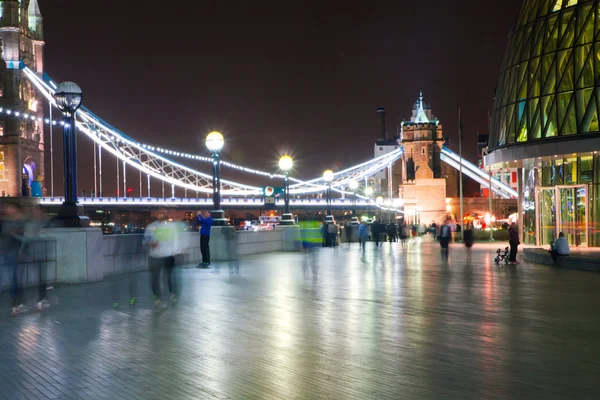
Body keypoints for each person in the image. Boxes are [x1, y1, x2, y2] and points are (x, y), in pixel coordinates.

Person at [144, 215, 180, 306]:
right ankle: (157, 297)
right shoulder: (151, 227)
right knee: (155, 278)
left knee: (169, 277)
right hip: (155, 256)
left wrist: (174, 251)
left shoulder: (172, 226)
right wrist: (151, 243)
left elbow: (175, 239)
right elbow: (145, 241)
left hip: (168, 255)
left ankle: (171, 295)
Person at [1, 204, 26, 316]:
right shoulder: (7, 222)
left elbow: (23, 238)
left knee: (13, 280)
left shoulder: (20, 223)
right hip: (6, 253)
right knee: (12, 279)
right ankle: (17, 302)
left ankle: (15, 304)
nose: (8, 209)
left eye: (10, 208)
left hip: (15, 253)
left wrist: (20, 252)